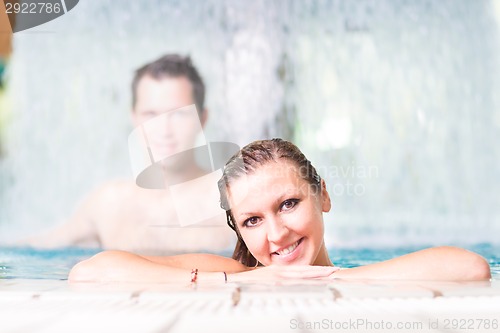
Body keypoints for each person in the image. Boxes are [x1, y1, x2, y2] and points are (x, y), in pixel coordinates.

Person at [68, 139, 491, 283]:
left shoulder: (357, 271)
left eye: (288, 204)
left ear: (322, 196)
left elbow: (471, 269)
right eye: (252, 220)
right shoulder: (237, 275)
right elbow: (89, 273)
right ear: (238, 228)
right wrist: (254, 284)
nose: (276, 235)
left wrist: (331, 280)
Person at [19, 54, 235, 254]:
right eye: (151, 114)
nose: (163, 130)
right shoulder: (109, 202)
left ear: (202, 119)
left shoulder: (233, 201)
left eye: (178, 115)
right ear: (134, 119)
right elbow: (32, 250)